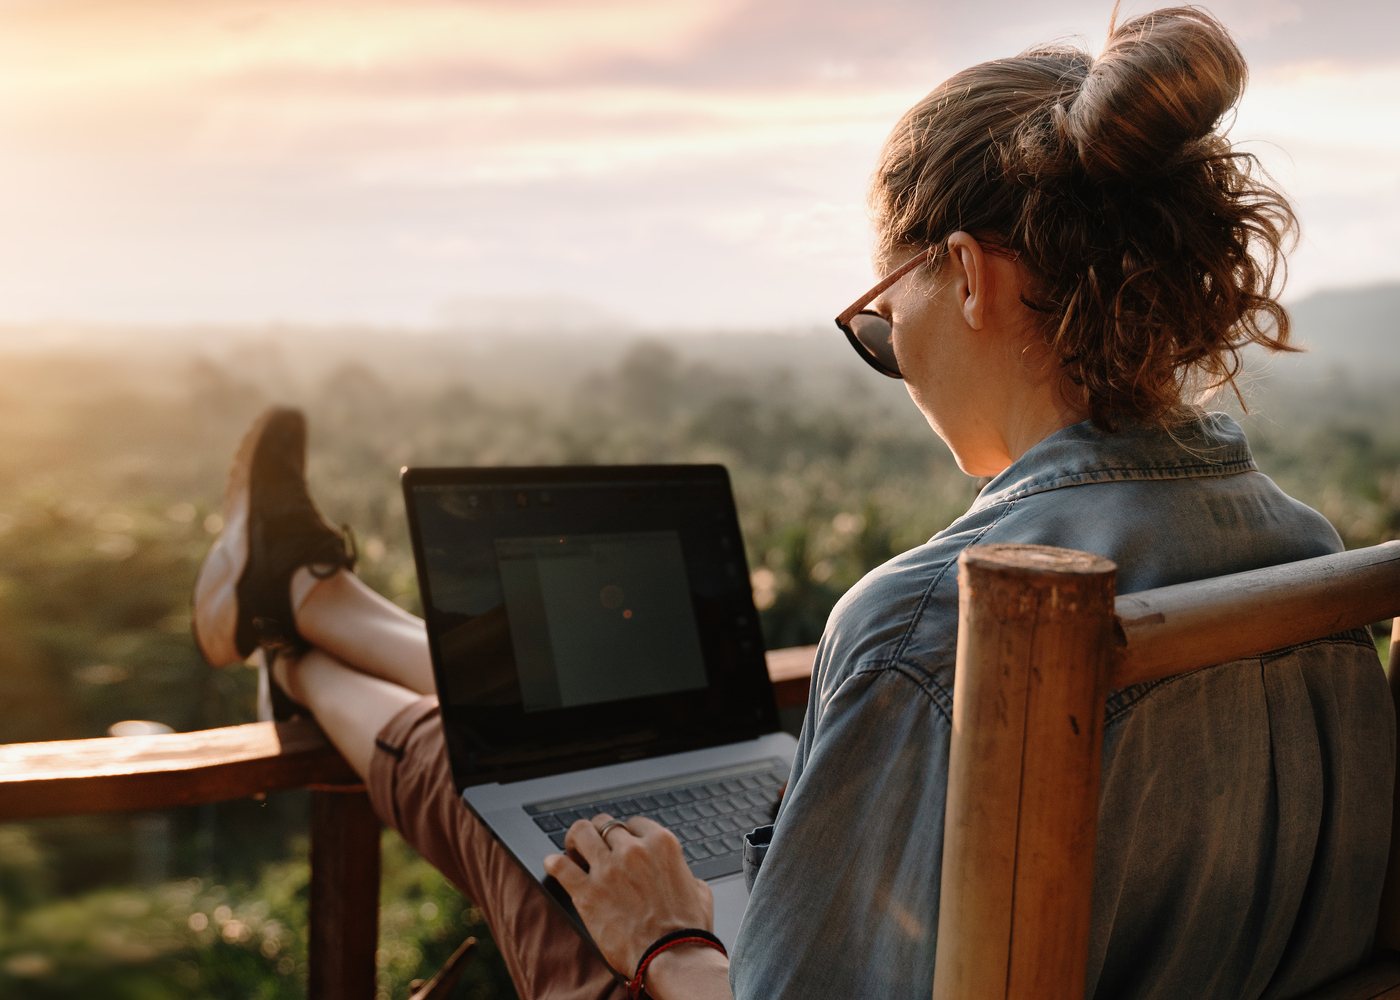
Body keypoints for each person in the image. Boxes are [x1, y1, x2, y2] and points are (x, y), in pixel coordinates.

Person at [193, 7, 1393, 999]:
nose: (892, 350)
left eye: (882, 314)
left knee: (521, 809)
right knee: (552, 764)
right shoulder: (1310, 563)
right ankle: (312, 605)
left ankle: (294, 639)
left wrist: (667, 937)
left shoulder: (935, 621)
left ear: (967, 275)